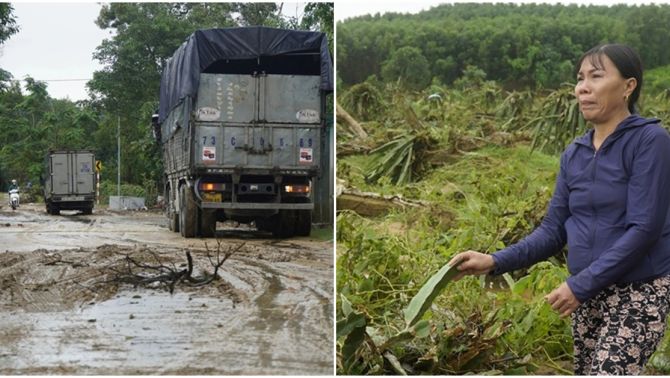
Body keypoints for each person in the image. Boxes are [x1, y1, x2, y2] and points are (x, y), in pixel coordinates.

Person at [449, 43, 670, 375]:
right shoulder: (575, 154)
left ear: (628, 86)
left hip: (639, 289)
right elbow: (553, 229)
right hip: (586, 290)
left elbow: (644, 229)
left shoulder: (650, 141)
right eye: (580, 78)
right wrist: (495, 260)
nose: (582, 87)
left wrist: (579, 287)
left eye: (596, 76)